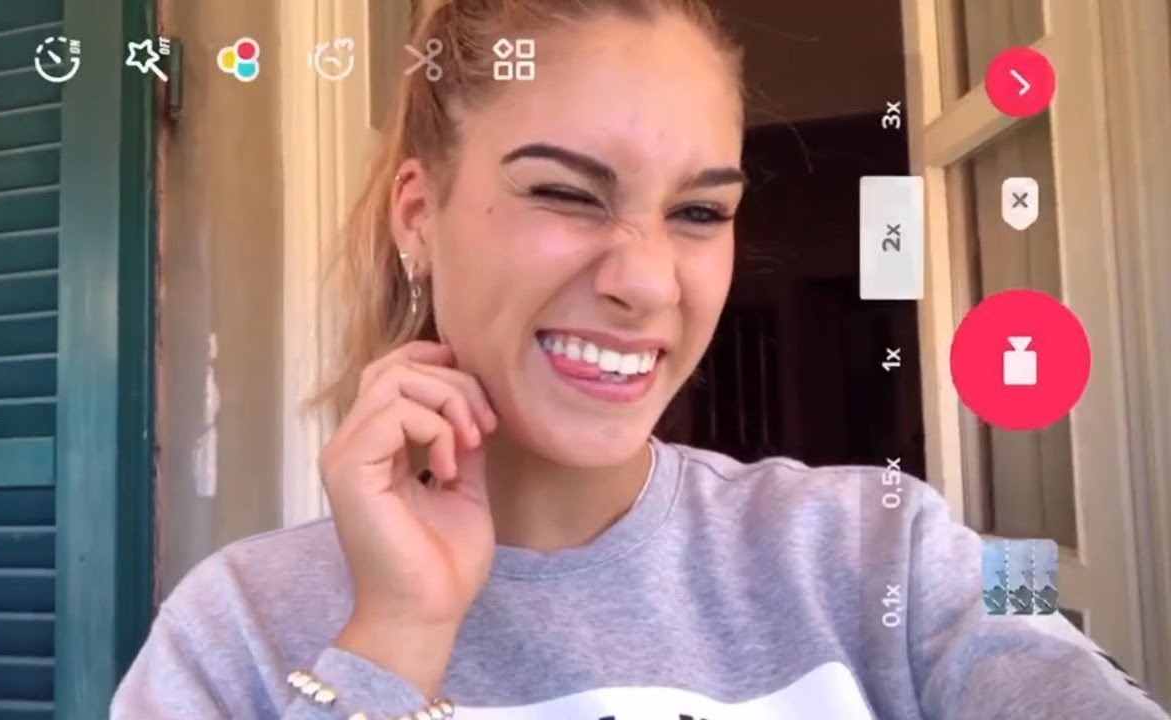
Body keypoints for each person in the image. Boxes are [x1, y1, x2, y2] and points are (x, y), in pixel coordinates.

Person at [111, 1, 1170, 718]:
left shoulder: (881, 550)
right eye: (567, 194)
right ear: (419, 217)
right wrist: (395, 638)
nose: (649, 282)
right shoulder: (236, 628)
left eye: (699, 212)